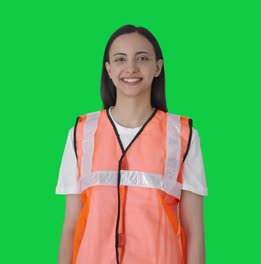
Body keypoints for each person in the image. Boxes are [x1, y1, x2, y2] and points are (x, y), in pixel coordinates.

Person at [56, 24, 208, 264]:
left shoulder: (183, 135)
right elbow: (70, 226)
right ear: (108, 69)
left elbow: (195, 232)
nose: (131, 68)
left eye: (142, 58)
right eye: (120, 59)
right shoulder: (81, 133)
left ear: (157, 67)